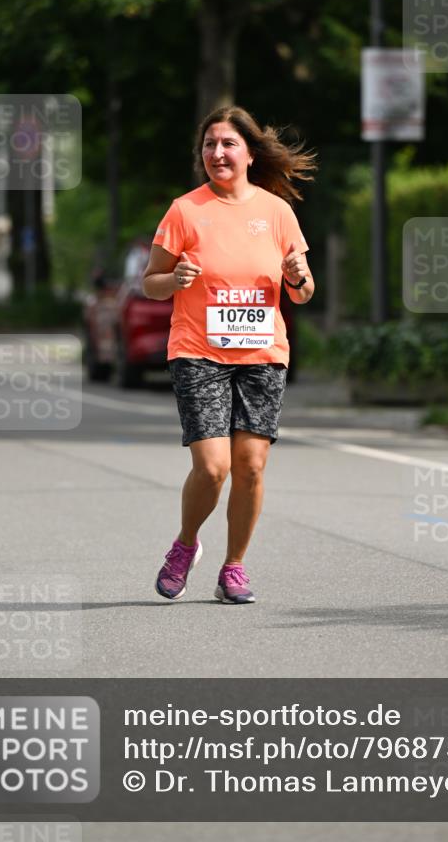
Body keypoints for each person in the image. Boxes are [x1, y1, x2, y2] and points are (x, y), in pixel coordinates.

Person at [142, 106, 316, 604]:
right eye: (209, 144)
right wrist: (173, 280)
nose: (217, 153)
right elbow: (151, 283)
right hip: (199, 352)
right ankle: (184, 545)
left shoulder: (277, 212)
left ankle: (233, 567)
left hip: (263, 353)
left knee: (252, 465)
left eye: (228, 144)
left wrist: (297, 277)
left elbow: (303, 292)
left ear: (249, 153)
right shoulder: (185, 210)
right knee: (214, 466)